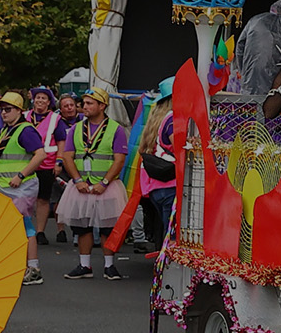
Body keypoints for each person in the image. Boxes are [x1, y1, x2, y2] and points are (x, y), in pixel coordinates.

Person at [58, 88, 129, 280]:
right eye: (84, 103)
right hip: (82, 185)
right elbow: (67, 156)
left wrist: (105, 182)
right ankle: (84, 265)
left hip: (107, 186)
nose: (84, 107)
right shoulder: (75, 129)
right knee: (82, 226)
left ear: (102, 106)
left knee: (108, 226)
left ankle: (109, 266)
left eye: (90, 103)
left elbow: (119, 159)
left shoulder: (116, 129)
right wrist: (77, 180)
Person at [0, 92, 47, 286]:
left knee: (25, 226)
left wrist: (20, 175)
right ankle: (16, 266)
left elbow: (40, 154)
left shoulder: (25, 130)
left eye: (8, 109)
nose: (3, 113)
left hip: (21, 187)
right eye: (1, 109)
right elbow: (1, 159)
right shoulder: (7, 130)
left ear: (19, 110)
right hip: (4, 186)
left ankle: (33, 268)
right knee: (10, 227)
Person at [137, 80, 178, 256]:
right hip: (171, 185)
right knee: (173, 237)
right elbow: (181, 150)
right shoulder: (172, 120)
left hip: (156, 187)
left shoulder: (156, 120)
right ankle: (167, 278)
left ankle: (162, 275)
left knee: (164, 231)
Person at [26, 86, 69, 246]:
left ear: (49, 102)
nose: (40, 100)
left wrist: (59, 161)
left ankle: (40, 232)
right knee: (26, 199)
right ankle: (25, 230)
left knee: (43, 199)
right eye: (38, 97)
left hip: (47, 164)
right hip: (27, 164)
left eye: (44, 98)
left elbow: (61, 142)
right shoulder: (25, 116)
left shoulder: (55, 119)